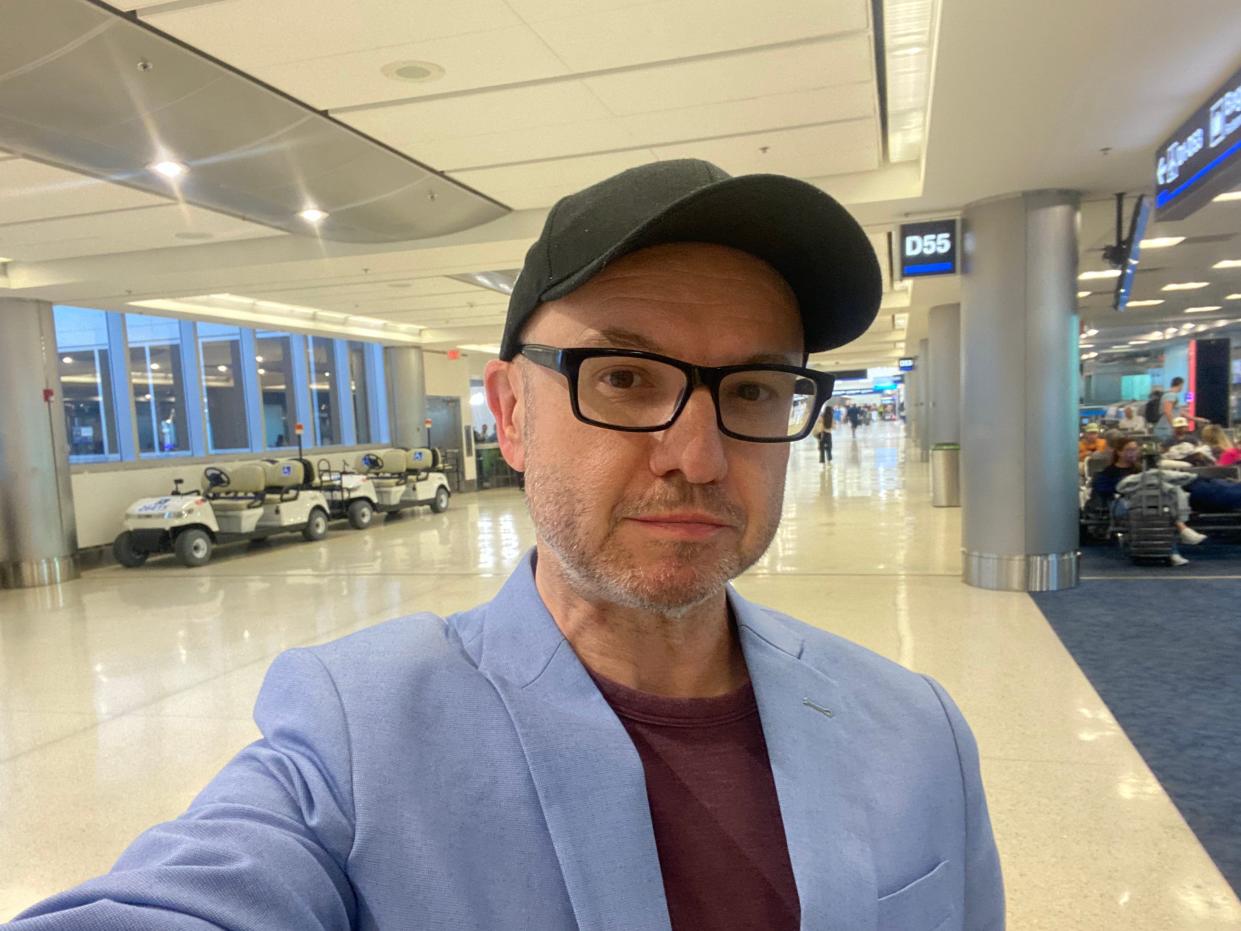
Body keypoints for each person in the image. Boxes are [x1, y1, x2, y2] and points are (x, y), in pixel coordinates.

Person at [8, 160, 1003, 931]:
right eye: (622, 377)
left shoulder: (916, 730)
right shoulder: (356, 741)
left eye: (750, 390)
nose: (696, 456)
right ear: (510, 413)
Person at [1153, 377, 1184, 444]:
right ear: (1180, 384)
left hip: (1166, 428)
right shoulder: (1171, 395)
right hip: (1166, 429)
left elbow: (1178, 412)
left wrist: (1196, 419)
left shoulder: (1170, 395)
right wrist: (1175, 426)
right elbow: (1168, 412)